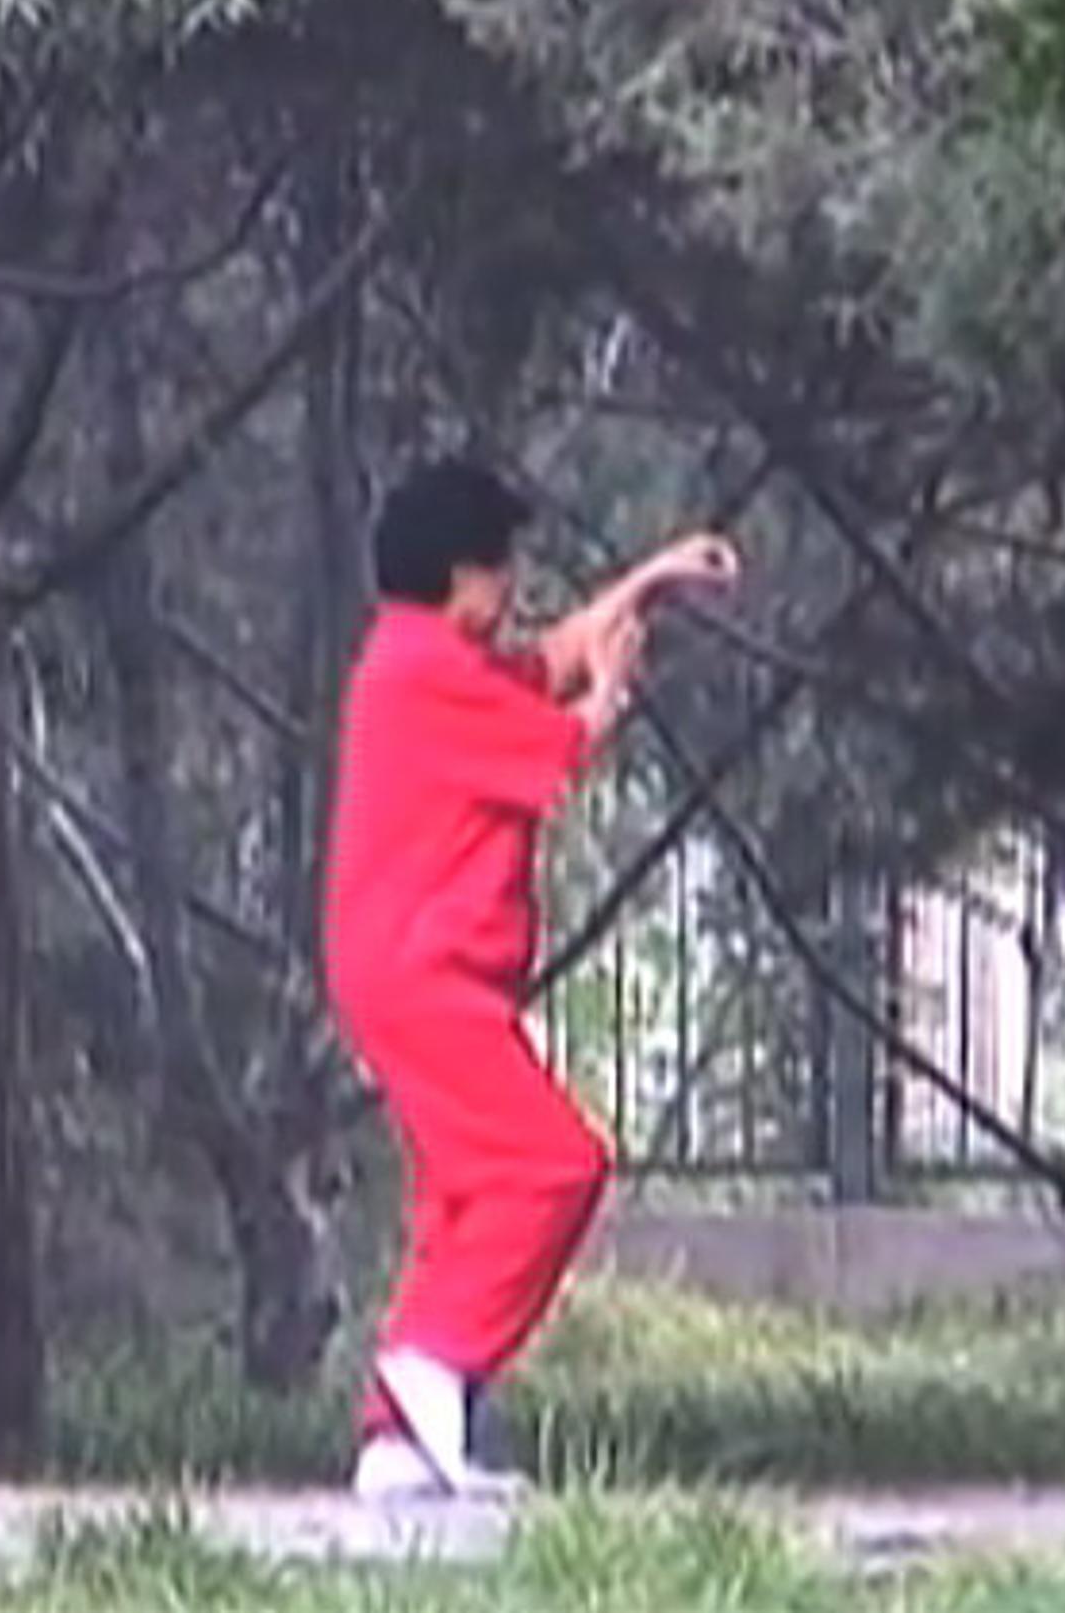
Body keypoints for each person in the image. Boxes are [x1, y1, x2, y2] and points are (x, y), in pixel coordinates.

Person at [320, 457, 738, 1501]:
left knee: (462, 1196)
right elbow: (564, 739)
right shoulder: (422, 673)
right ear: (461, 574)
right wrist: (613, 690)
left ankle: (397, 1441)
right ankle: (434, 1359)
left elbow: (550, 658)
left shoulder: (424, 658)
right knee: (554, 1165)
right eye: (500, 565)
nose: (512, 585)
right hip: (424, 969)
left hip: (407, 967)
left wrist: (650, 580)